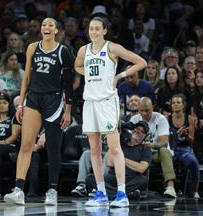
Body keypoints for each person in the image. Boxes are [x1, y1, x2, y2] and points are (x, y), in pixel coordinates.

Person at [74, 16, 147, 207]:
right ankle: (101, 193)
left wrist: (119, 76)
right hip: (90, 102)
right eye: (91, 28)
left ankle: (122, 194)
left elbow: (141, 62)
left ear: (105, 31)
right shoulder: (83, 50)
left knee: (114, 148)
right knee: (95, 150)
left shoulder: (112, 48)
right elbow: (77, 66)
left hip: (107, 102)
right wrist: (88, 73)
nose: (93, 32)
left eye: (97, 28)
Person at [3, 17, 73, 206]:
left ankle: (52, 190)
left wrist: (68, 110)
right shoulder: (32, 47)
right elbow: (27, 77)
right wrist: (21, 103)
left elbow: (69, 84)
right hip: (33, 98)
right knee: (26, 145)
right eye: (44, 25)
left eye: (50, 25)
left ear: (57, 30)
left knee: (52, 148)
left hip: (54, 100)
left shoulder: (63, 51)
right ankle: (18, 190)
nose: (46, 27)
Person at [87, 121, 152, 200]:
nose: (138, 132)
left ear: (145, 136)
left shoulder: (145, 148)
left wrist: (121, 159)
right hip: (114, 176)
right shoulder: (120, 143)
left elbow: (141, 168)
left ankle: (110, 193)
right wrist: (118, 139)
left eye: (142, 132)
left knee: (143, 181)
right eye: (137, 129)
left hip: (131, 178)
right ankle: (124, 194)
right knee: (90, 179)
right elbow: (109, 162)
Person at [129, 97, 177, 198]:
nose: (144, 113)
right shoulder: (134, 120)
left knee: (164, 151)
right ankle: (140, 188)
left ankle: (170, 187)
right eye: (141, 110)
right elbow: (130, 141)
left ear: (152, 107)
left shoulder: (160, 118)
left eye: (147, 110)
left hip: (156, 152)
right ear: (138, 109)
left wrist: (151, 145)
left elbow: (164, 142)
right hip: (141, 152)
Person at [168, 94, 200, 198]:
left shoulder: (189, 118)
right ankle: (169, 188)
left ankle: (194, 190)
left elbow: (191, 140)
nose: (175, 104)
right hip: (171, 148)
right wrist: (176, 134)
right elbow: (164, 137)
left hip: (184, 149)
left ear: (183, 105)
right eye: (173, 103)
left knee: (194, 162)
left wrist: (185, 134)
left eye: (178, 102)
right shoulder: (166, 118)